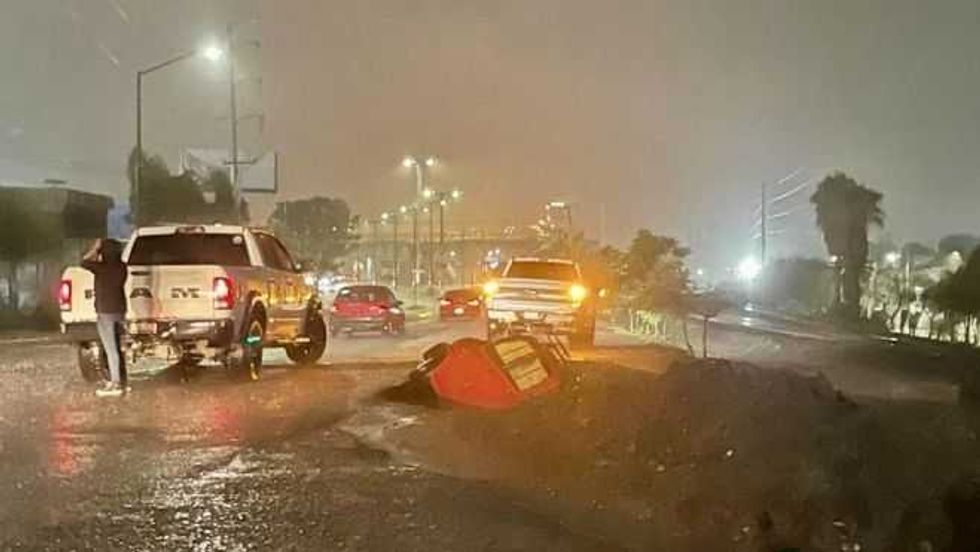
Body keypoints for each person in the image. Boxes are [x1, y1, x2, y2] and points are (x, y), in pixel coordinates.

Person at [81, 238, 128, 398]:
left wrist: (95, 247)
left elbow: (84, 262)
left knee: (110, 348)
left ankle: (115, 383)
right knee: (117, 348)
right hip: (119, 310)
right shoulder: (122, 267)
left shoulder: (101, 268)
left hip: (105, 311)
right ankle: (121, 381)